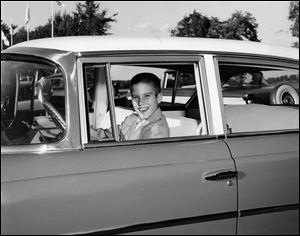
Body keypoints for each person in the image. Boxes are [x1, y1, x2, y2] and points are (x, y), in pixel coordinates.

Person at [91, 72, 170, 140]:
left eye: (147, 96)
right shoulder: (133, 118)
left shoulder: (157, 130)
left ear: (158, 98)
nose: (140, 103)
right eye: (136, 97)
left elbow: (139, 156)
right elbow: (110, 135)